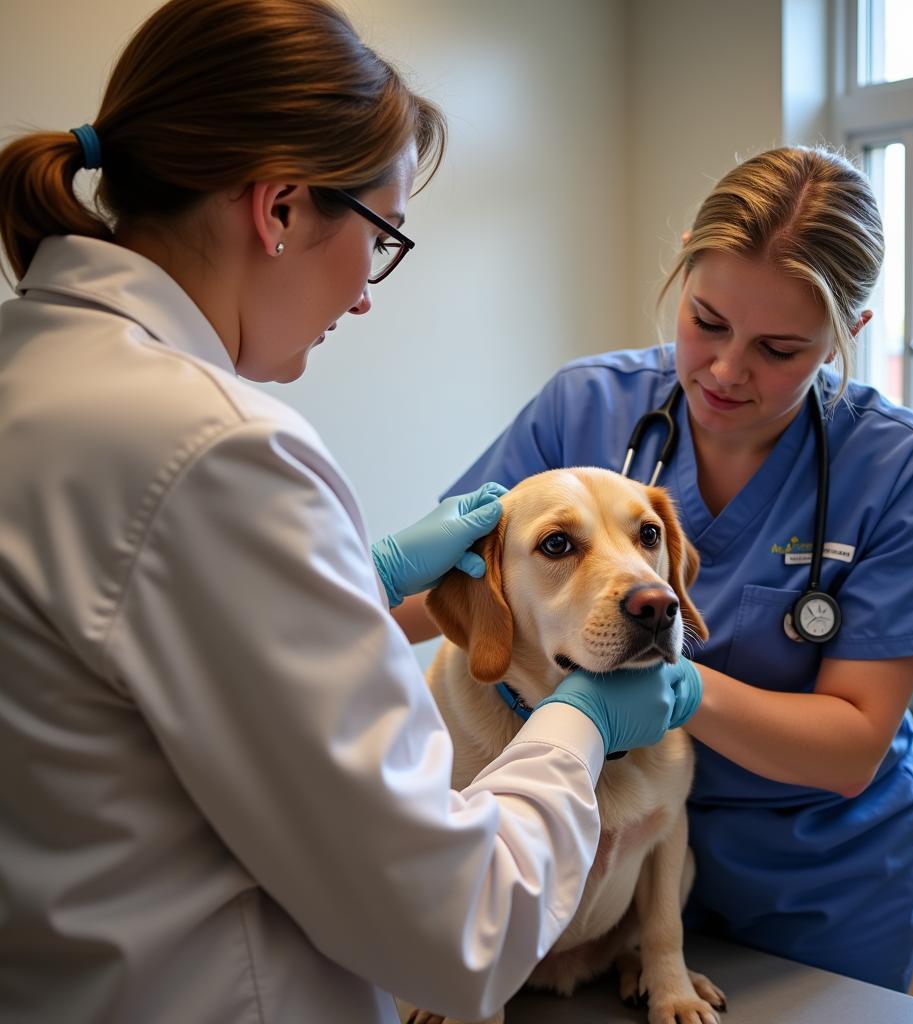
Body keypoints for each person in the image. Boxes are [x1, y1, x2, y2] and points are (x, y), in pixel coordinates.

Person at [0, 2, 704, 1022]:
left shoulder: (38, 368)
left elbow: (120, 666)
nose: (368, 294)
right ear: (280, 209)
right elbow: (459, 924)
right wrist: (578, 722)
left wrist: (357, 584)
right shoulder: (219, 448)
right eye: (381, 237)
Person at [398, 145, 913, 992]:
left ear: (846, 333)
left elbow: (853, 744)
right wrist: (326, 620)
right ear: (684, 269)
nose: (724, 370)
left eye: (780, 348)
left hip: (818, 877)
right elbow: (451, 590)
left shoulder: (898, 469)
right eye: (706, 321)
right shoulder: (586, 406)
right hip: (601, 855)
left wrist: (678, 685)